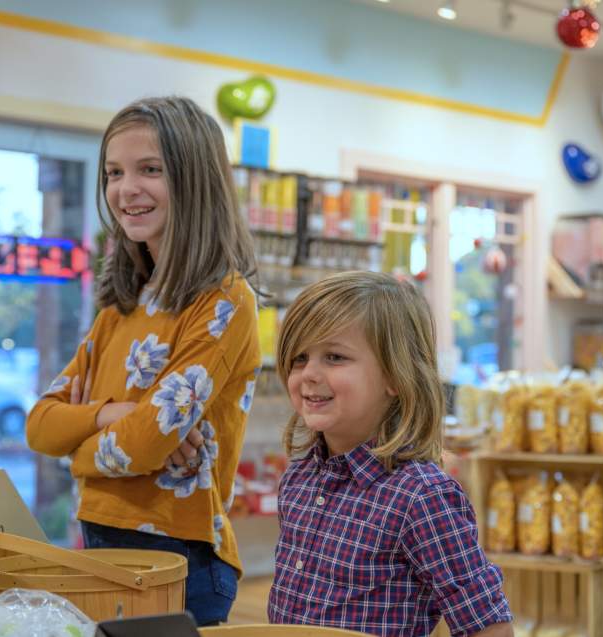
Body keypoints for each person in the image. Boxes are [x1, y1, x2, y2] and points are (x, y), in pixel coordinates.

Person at [26, 96, 261, 626]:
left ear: (195, 180)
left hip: (182, 560)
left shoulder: (223, 300)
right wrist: (113, 416)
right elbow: (40, 427)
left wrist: (77, 452)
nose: (125, 189)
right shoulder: (121, 306)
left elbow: (145, 444)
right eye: (113, 172)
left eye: (149, 169)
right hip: (102, 546)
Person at [267, 271, 513, 637]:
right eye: (300, 358)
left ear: (395, 377)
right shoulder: (299, 479)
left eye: (334, 357)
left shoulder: (422, 497)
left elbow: (488, 627)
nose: (309, 374)